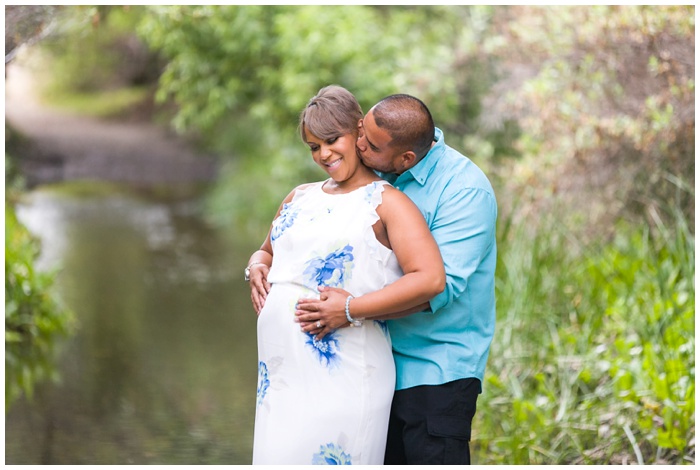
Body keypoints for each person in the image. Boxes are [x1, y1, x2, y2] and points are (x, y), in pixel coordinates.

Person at [245, 85, 445, 465]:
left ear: (358, 131)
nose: (323, 154)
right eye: (313, 146)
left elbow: (431, 279)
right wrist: (256, 264)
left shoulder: (388, 203)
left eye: (331, 140)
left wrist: (351, 308)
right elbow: (268, 251)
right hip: (280, 377)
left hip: (346, 372)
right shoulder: (299, 196)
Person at [294, 93, 498, 464]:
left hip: (436, 369)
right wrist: (261, 258)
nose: (358, 145)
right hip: (372, 364)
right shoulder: (378, 171)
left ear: (406, 157)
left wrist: (350, 309)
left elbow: (438, 288)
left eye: (368, 145)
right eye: (360, 132)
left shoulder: (464, 190)